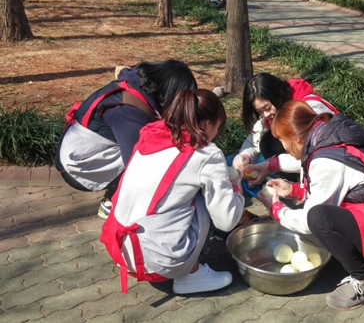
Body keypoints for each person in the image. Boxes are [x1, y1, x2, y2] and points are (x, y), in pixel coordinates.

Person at [258, 101, 364, 310]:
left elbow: (309, 220)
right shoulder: (334, 134)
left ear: (298, 137)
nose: (283, 146)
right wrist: (293, 190)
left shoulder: (326, 159)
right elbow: (346, 187)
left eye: (282, 140)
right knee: (322, 215)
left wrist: (276, 208)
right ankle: (359, 257)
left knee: (318, 218)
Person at [100, 89, 245, 294]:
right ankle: (191, 275)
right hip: (159, 261)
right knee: (206, 200)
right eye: (218, 126)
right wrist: (235, 185)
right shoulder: (206, 154)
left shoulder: (151, 134)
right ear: (206, 124)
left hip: (121, 249)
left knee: (185, 191)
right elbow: (227, 221)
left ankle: (174, 263)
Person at [55, 59, 197, 219]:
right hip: (78, 167)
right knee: (152, 158)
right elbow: (139, 166)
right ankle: (114, 202)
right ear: (170, 94)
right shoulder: (127, 112)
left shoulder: (138, 84)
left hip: (79, 148)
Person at [232, 72, 339, 186]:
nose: (266, 114)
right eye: (260, 112)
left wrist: (270, 165)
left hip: (334, 162)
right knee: (267, 141)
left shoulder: (308, 111)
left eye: (267, 107)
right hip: (310, 159)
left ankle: (300, 180)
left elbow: (318, 155)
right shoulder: (274, 113)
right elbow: (254, 140)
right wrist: (244, 156)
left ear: (277, 96)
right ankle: (294, 179)